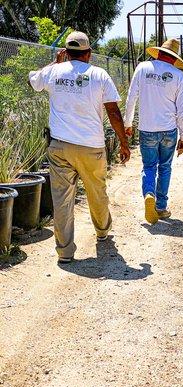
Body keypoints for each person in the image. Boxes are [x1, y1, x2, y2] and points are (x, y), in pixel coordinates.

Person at [29, 31, 130, 263]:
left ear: (66, 52)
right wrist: (124, 142)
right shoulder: (99, 74)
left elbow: (32, 80)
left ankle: (64, 252)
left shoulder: (54, 71)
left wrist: (55, 63)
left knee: (62, 199)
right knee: (97, 192)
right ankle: (103, 231)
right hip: (91, 148)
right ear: (89, 53)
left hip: (60, 147)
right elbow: (113, 111)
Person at [124, 38, 183, 224]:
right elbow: (182, 109)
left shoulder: (143, 68)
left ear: (159, 53)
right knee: (165, 167)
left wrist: (128, 123)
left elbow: (131, 97)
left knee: (149, 166)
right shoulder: (178, 75)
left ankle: (148, 194)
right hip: (169, 130)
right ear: (174, 58)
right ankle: (160, 207)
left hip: (147, 129)